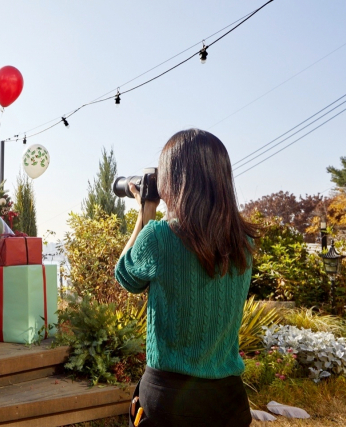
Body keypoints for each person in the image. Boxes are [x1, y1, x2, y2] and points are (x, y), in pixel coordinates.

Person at [115, 129, 258, 427]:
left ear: (172, 180)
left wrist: (146, 213)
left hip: (169, 398)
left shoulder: (158, 236)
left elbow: (126, 276)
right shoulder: (244, 242)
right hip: (228, 400)